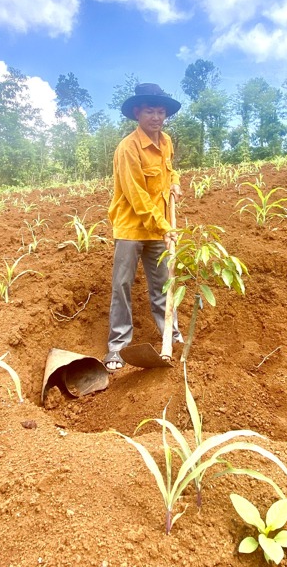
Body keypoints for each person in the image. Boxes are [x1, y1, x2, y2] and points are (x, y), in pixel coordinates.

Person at [104, 83, 184, 373]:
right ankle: (117, 346)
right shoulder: (128, 148)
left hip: (158, 228)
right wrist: (164, 225)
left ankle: (170, 335)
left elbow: (170, 166)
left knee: (163, 283)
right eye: (150, 110)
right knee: (122, 285)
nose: (157, 116)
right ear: (138, 112)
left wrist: (174, 180)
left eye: (161, 111)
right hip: (131, 227)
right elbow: (136, 196)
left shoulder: (166, 142)